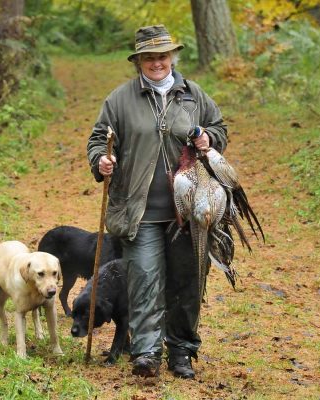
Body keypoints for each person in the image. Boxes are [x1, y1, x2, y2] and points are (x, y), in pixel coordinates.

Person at [86, 24, 227, 379]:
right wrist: (101, 161)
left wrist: (209, 138)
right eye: (148, 57)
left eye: (162, 56)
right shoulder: (119, 99)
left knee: (187, 282)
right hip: (139, 210)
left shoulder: (194, 96)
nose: (156, 62)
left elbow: (220, 130)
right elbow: (98, 140)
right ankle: (146, 352)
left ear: (172, 58)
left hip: (191, 212)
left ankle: (181, 351)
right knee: (144, 278)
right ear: (139, 62)